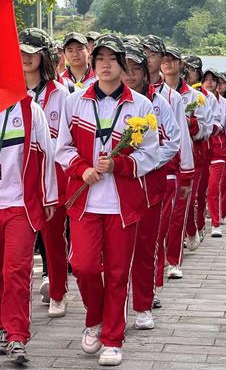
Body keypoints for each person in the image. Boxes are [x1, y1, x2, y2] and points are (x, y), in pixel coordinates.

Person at [56, 34, 160, 366]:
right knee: (83, 266)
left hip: (122, 204)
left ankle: (113, 338)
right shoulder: (75, 101)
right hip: (85, 200)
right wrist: (81, 168)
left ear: (123, 65)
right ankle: (94, 317)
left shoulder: (140, 105)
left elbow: (151, 154)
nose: (104, 64)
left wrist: (120, 164)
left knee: (117, 273)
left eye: (111, 59)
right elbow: (62, 147)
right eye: (98, 58)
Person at [0, 92, 58, 363]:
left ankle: (18, 335)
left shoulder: (30, 110)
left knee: (16, 270)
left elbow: (47, 153)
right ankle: (1, 327)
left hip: (20, 206)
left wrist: (48, 195)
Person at [122, 42, 180, 329]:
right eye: (126, 69)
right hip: (117, 187)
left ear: (146, 72)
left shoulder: (159, 102)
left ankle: (143, 305)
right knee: (115, 253)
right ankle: (114, 306)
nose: (130, 75)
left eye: (136, 69)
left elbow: (173, 142)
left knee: (145, 248)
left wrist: (145, 161)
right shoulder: (111, 101)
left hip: (149, 187)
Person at [20, 27, 69, 318]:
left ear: (44, 56)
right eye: (21, 52)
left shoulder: (61, 94)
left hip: (53, 174)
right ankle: (16, 295)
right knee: (20, 240)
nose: (26, 57)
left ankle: (59, 292)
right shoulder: (9, 93)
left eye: (32, 52)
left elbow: (65, 138)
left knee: (53, 237)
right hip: (20, 174)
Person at [160, 47, 208, 279]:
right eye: (164, 59)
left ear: (181, 65)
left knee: (178, 212)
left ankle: (173, 261)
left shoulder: (193, 96)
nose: (168, 63)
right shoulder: (151, 93)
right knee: (161, 220)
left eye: (173, 60)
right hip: (157, 164)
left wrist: (191, 125)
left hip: (185, 160)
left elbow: (207, 129)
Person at [183, 56, 217, 244]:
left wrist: (190, 123)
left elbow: (211, 125)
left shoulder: (205, 97)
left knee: (197, 194)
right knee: (184, 196)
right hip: (177, 155)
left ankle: (198, 225)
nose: (189, 73)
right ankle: (186, 230)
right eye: (186, 68)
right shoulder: (170, 93)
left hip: (199, 153)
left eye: (193, 70)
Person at [201, 69, 226, 237]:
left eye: (213, 80)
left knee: (215, 187)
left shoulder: (225, 105)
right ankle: (197, 224)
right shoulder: (196, 98)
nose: (209, 82)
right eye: (206, 79)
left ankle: (216, 222)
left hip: (219, 151)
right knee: (200, 190)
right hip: (201, 151)